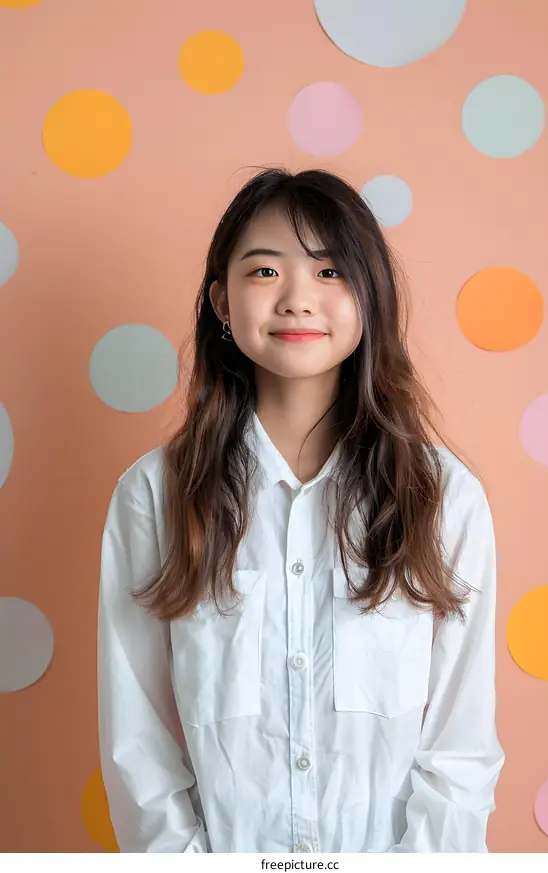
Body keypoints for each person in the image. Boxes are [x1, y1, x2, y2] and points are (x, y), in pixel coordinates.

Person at [97, 167, 505, 854]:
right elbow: (137, 746)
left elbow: (460, 752)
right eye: (264, 272)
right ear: (222, 302)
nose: (296, 299)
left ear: (370, 298)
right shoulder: (153, 497)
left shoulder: (443, 498)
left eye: (329, 272)